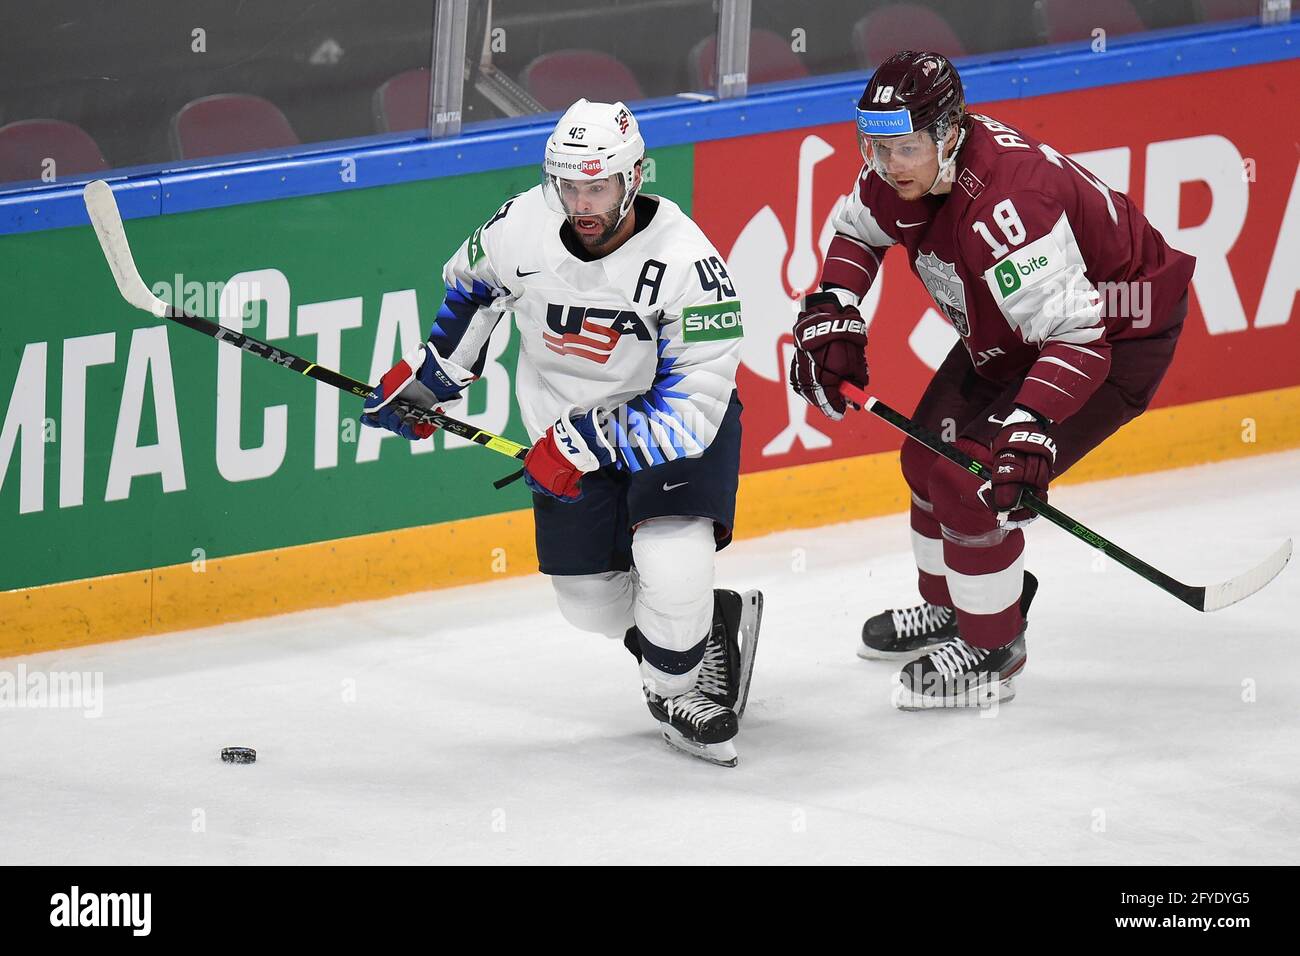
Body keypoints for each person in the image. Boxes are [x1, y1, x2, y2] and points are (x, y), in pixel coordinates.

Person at [789, 52, 1195, 708]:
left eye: (905, 148)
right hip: (1019, 327)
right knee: (925, 460)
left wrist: (1029, 426)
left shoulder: (1009, 208)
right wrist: (835, 303)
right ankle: (954, 609)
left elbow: (1079, 338)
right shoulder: (907, 173)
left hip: (1117, 336)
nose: (888, 165)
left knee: (971, 482)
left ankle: (994, 647)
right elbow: (857, 233)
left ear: (949, 134)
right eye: (876, 147)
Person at [362, 99, 761, 765]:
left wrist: (581, 442)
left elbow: (692, 410)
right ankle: (706, 630)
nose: (580, 202)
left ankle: (675, 688)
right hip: (562, 429)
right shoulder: (524, 223)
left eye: (596, 186)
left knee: (671, 562)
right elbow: (475, 290)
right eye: (568, 185)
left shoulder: (691, 266)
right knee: (589, 603)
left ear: (635, 177)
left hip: (669, 434)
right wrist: (434, 379)